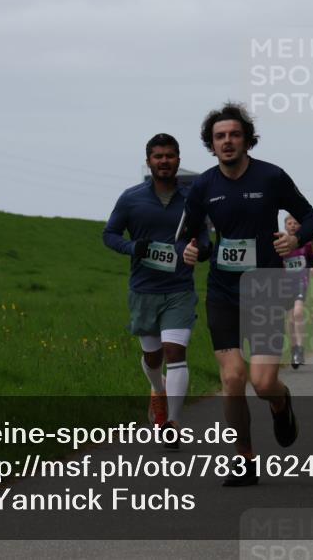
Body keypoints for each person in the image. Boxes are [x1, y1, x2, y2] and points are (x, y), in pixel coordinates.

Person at [181, 102, 313, 487]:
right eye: (219, 136)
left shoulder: (271, 177)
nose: (227, 141)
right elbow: (191, 236)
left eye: (234, 135)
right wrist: (193, 251)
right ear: (211, 144)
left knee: (262, 383)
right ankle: (244, 459)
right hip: (223, 290)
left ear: (246, 140)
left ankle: (281, 402)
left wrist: (295, 237)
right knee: (232, 378)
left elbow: (312, 217)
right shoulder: (203, 186)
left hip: (265, 288)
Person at [102, 134, 209, 449]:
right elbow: (109, 234)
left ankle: (172, 423)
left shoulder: (192, 200)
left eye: (170, 156)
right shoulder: (131, 198)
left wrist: (199, 250)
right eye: (158, 156)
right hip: (144, 289)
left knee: (175, 353)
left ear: (178, 159)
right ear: (148, 161)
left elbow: (204, 239)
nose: (164, 161)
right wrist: (133, 247)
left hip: (179, 289)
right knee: (153, 356)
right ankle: (157, 391)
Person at [282, 214, 313, 369]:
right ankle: (294, 349)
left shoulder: (306, 243)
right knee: (290, 320)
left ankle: (300, 349)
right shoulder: (281, 243)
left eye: (296, 223)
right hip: (285, 286)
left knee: (298, 313)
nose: (293, 226)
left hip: (301, 283)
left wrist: (312, 267)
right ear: (285, 226)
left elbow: (311, 257)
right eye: (290, 223)